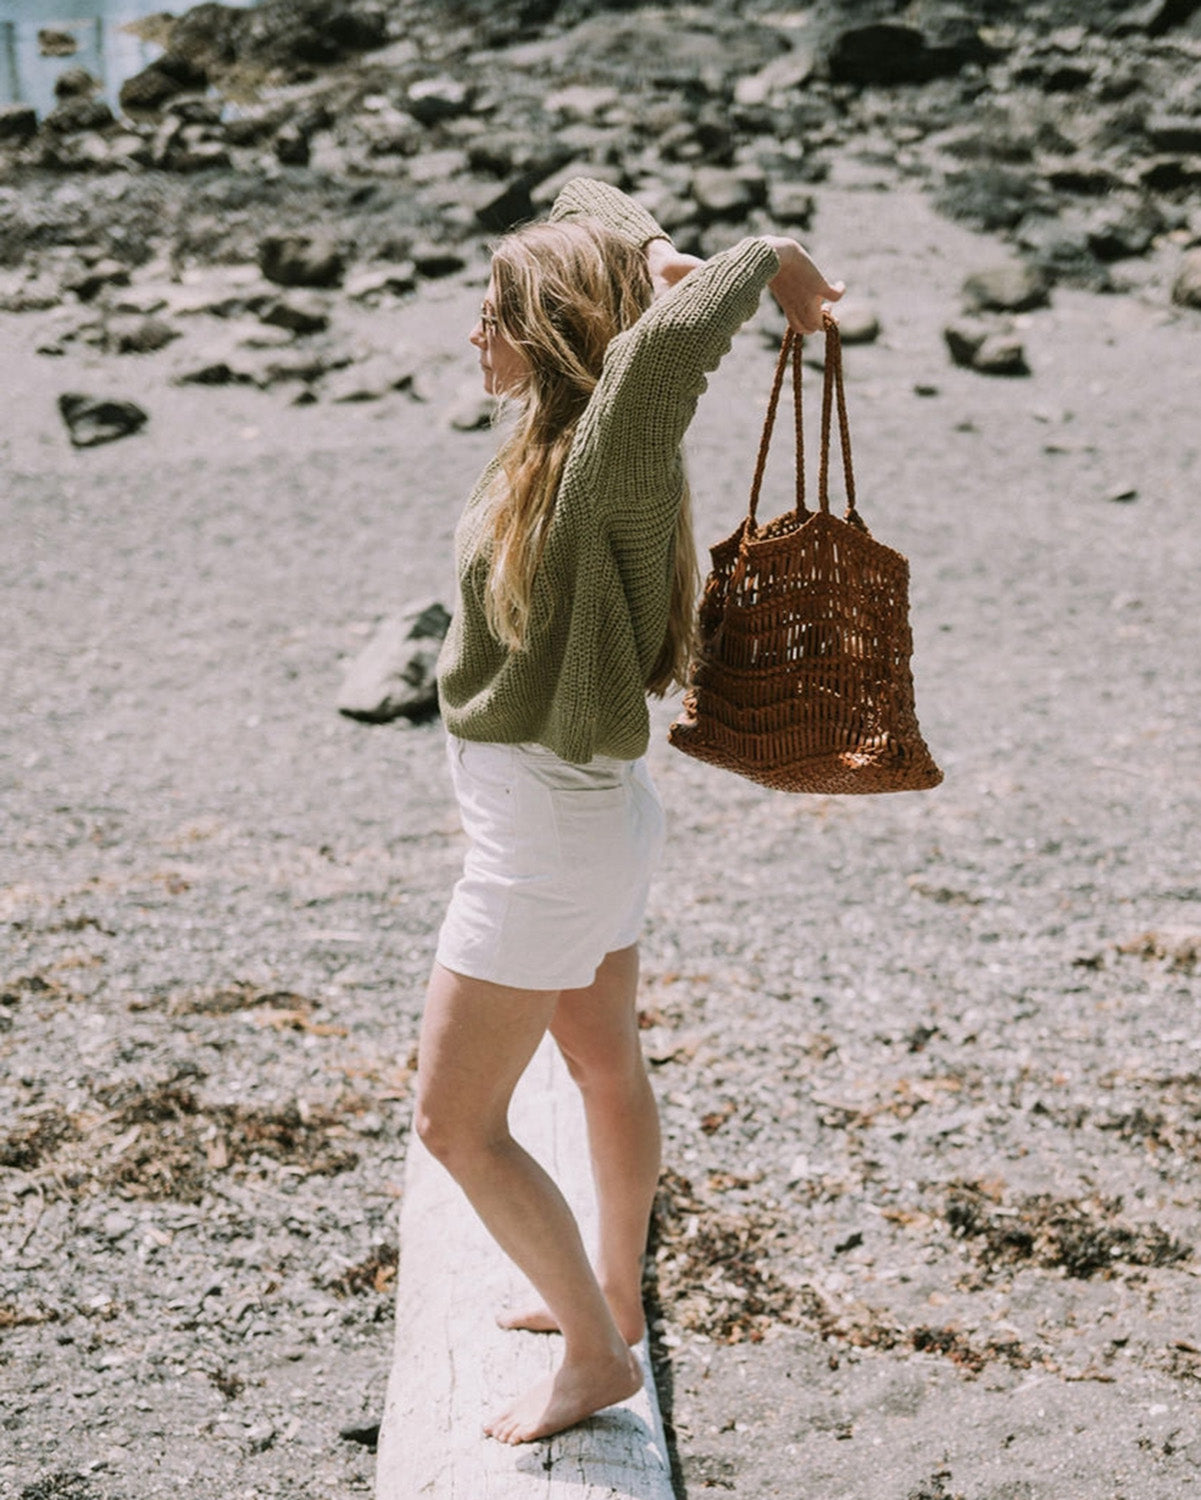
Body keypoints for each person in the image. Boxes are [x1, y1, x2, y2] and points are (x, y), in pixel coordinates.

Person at [413, 177, 844, 1446]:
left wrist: (769, 260)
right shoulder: (559, 437)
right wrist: (653, 249)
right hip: (585, 817)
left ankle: (597, 1355)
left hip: (545, 841)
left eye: (489, 311)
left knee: (455, 1123)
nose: (469, 333)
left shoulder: (605, 451)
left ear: (546, 332)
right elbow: (579, 190)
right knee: (602, 1066)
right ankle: (605, 1294)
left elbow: (663, 354)